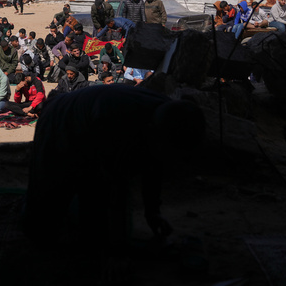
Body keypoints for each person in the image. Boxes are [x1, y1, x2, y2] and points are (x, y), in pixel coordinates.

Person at [27, 86, 206, 246]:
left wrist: (153, 213)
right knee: (50, 200)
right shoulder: (118, 124)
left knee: (92, 200)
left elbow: (154, 166)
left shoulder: (169, 116)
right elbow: (114, 187)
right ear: (152, 132)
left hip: (92, 116)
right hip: (59, 117)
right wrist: (117, 250)